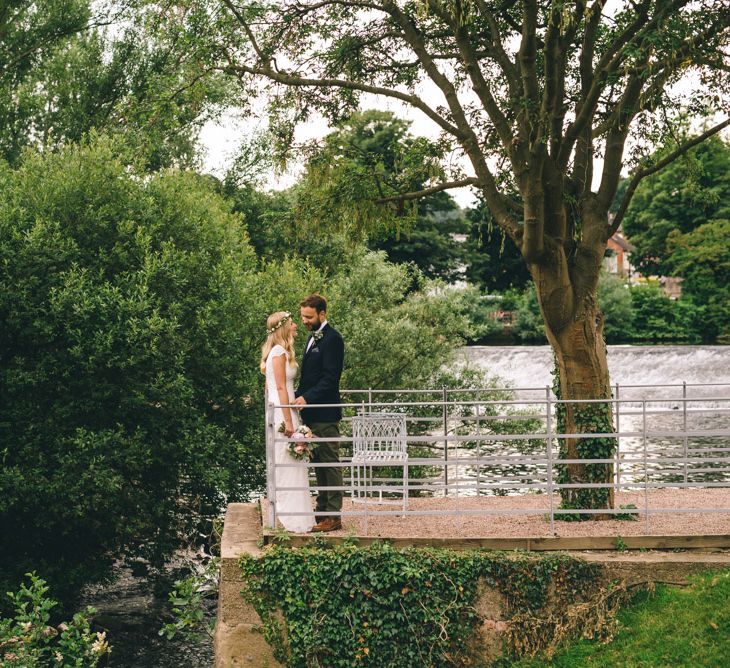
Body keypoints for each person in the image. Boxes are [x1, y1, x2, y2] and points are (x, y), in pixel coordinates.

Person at [293, 294, 345, 532]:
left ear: (322, 314)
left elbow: (330, 379)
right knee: (318, 465)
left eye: (309, 316)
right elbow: (309, 377)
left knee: (330, 464)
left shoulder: (333, 339)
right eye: (302, 316)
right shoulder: (311, 338)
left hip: (325, 413)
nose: (304, 320)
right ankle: (322, 510)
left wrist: (307, 398)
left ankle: (333, 516)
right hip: (311, 414)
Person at [261, 311, 315, 533]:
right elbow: (281, 388)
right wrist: (289, 424)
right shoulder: (279, 352)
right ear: (283, 328)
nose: (295, 326)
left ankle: (296, 515)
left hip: (285, 409)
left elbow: (269, 387)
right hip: (283, 412)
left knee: (292, 462)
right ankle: (290, 517)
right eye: (292, 323)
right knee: (288, 463)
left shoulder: (279, 352)